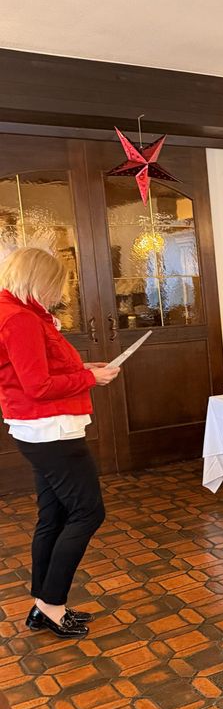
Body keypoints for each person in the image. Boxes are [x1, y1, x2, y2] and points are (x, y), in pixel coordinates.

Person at [0, 247, 121, 639]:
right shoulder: (21, 319)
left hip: (40, 430)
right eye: (55, 285)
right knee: (88, 513)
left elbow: (35, 370)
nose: (58, 294)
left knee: (52, 517)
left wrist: (84, 368)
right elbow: (37, 386)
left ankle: (44, 606)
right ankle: (52, 605)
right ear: (37, 280)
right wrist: (90, 380)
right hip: (50, 431)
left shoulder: (23, 314)